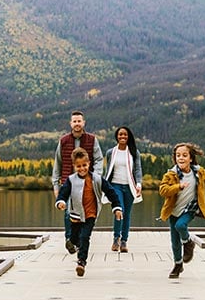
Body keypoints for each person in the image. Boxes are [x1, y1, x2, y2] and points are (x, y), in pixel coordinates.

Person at [158, 142, 205, 279]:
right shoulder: (170, 175)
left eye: (184, 155)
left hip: (190, 208)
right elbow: (163, 190)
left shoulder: (199, 172)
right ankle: (178, 265)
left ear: (191, 158)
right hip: (173, 211)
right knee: (175, 241)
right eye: (178, 155)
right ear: (175, 158)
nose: (181, 158)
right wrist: (178, 186)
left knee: (181, 225)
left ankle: (188, 242)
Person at [56, 147, 122, 277]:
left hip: (91, 214)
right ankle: (71, 243)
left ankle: (81, 262)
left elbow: (111, 192)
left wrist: (117, 207)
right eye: (78, 166)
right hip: (75, 215)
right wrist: (61, 202)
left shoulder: (97, 179)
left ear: (89, 164)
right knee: (74, 239)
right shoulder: (71, 180)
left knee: (85, 237)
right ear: (74, 166)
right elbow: (63, 193)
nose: (82, 169)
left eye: (84, 165)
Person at [52, 111, 104, 254]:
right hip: (68, 183)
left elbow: (99, 159)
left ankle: (79, 241)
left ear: (83, 123)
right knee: (69, 212)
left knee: (85, 213)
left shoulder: (92, 140)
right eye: (74, 121)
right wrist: (56, 185)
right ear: (71, 124)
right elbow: (58, 163)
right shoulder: (63, 141)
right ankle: (70, 240)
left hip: (88, 183)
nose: (77, 124)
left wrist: (97, 176)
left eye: (79, 121)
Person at [103, 126, 143, 253]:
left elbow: (137, 169)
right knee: (119, 211)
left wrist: (139, 184)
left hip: (129, 186)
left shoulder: (134, 152)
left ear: (128, 136)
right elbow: (108, 170)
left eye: (125, 135)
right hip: (115, 186)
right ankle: (116, 239)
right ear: (116, 136)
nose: (122, 137)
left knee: (127, 214)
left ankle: (124, 241)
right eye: (120, 134)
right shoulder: (111, 152)